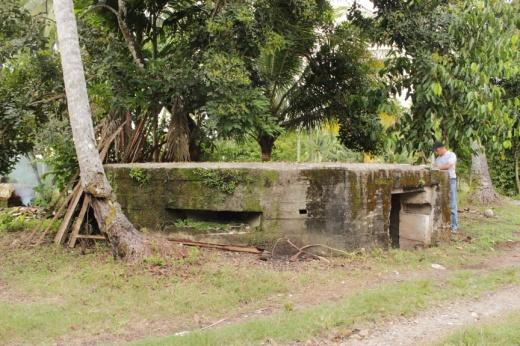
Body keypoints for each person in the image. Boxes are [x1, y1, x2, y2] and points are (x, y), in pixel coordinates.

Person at [433, 141, 458, 233]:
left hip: (451, 181)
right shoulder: (438, 158)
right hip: (440, 182)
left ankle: (454, 226)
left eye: (436, 151)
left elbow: (448, 165)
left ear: (439, 149)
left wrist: (437, 167)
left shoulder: (451, 155)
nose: (436, 153)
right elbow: (434, 167)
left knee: (452, 204)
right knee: (440, 203)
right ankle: (443, 224)